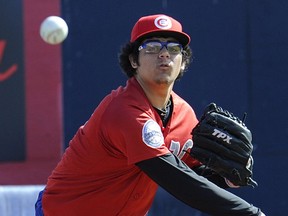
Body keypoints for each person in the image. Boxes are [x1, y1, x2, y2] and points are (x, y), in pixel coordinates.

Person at [35, 14, 265, 216]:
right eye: (153, 47)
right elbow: (176, 179)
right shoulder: (124, 111)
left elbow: (192, 172)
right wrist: (249, 212)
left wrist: (228, 178)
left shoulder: (183, 114)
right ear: (133, 60)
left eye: (174, 49)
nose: (164, 54)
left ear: (183, 63)